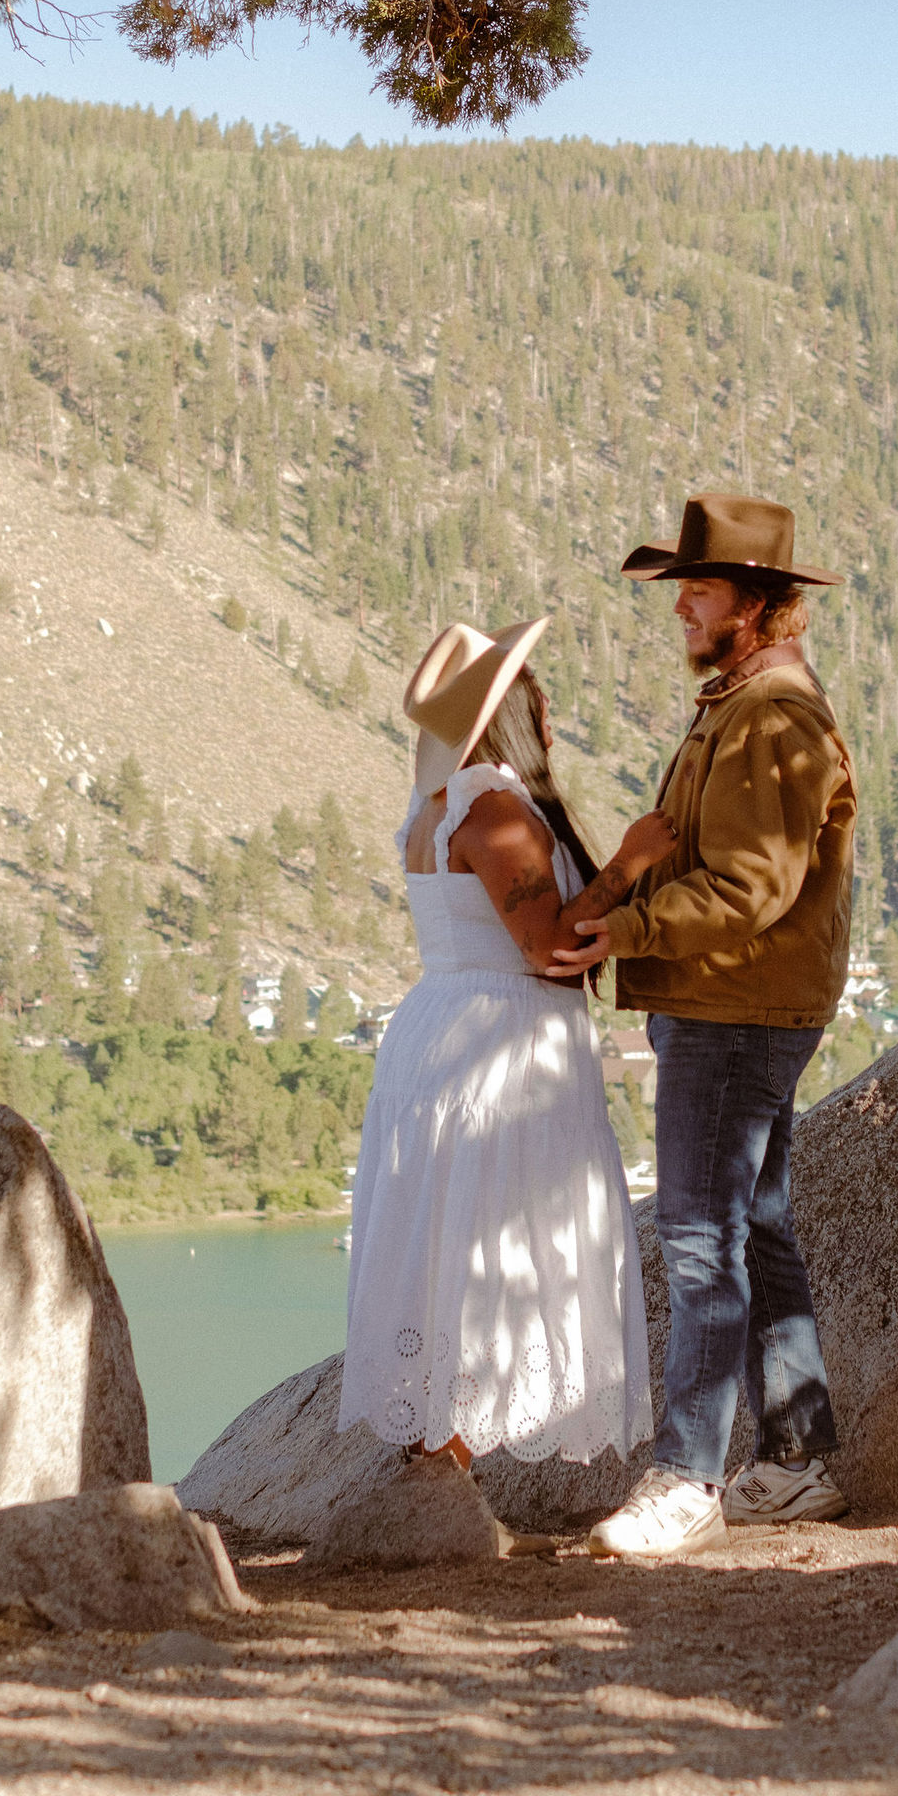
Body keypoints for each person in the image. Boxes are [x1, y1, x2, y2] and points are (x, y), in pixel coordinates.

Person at [557, 493, 857, 1559]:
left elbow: (750, 888)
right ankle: (796, 1461)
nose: (679, 603)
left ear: (755, 601)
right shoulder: (743, 703)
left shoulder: (770, 717)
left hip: (733, 1004)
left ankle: (686, 1477)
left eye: (699, 585)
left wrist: (624, 932)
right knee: (754, 1229)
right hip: (733, 1001)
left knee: (697, 1242)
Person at [337, 617, 672, 1512]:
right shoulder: (492, 809)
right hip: (498, 1050)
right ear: (509, 713)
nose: (550, 704)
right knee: (486, 1240)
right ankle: (445, 1477)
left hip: (445, 1034)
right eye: (535, 689)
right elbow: (550, 949)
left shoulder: (441, 805)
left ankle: (436, 1475)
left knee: (443, 1239)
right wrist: (633, 862)